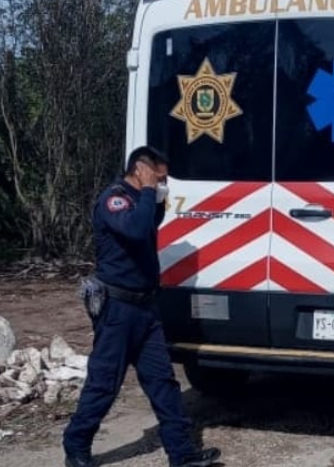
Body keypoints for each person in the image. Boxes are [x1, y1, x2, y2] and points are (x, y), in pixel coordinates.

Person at [62, 146, 220, 467]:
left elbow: (149, 225)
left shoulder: (141, 201)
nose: (161, 183)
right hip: (118, 310)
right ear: (140, 169)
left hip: (146, 309)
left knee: (163, 383)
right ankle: (76, 447)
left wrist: (158, 197)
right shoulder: (114, 199)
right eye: (157, 177)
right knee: (104, 384)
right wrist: (150, 192)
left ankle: (182, 453)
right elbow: (134, 231)